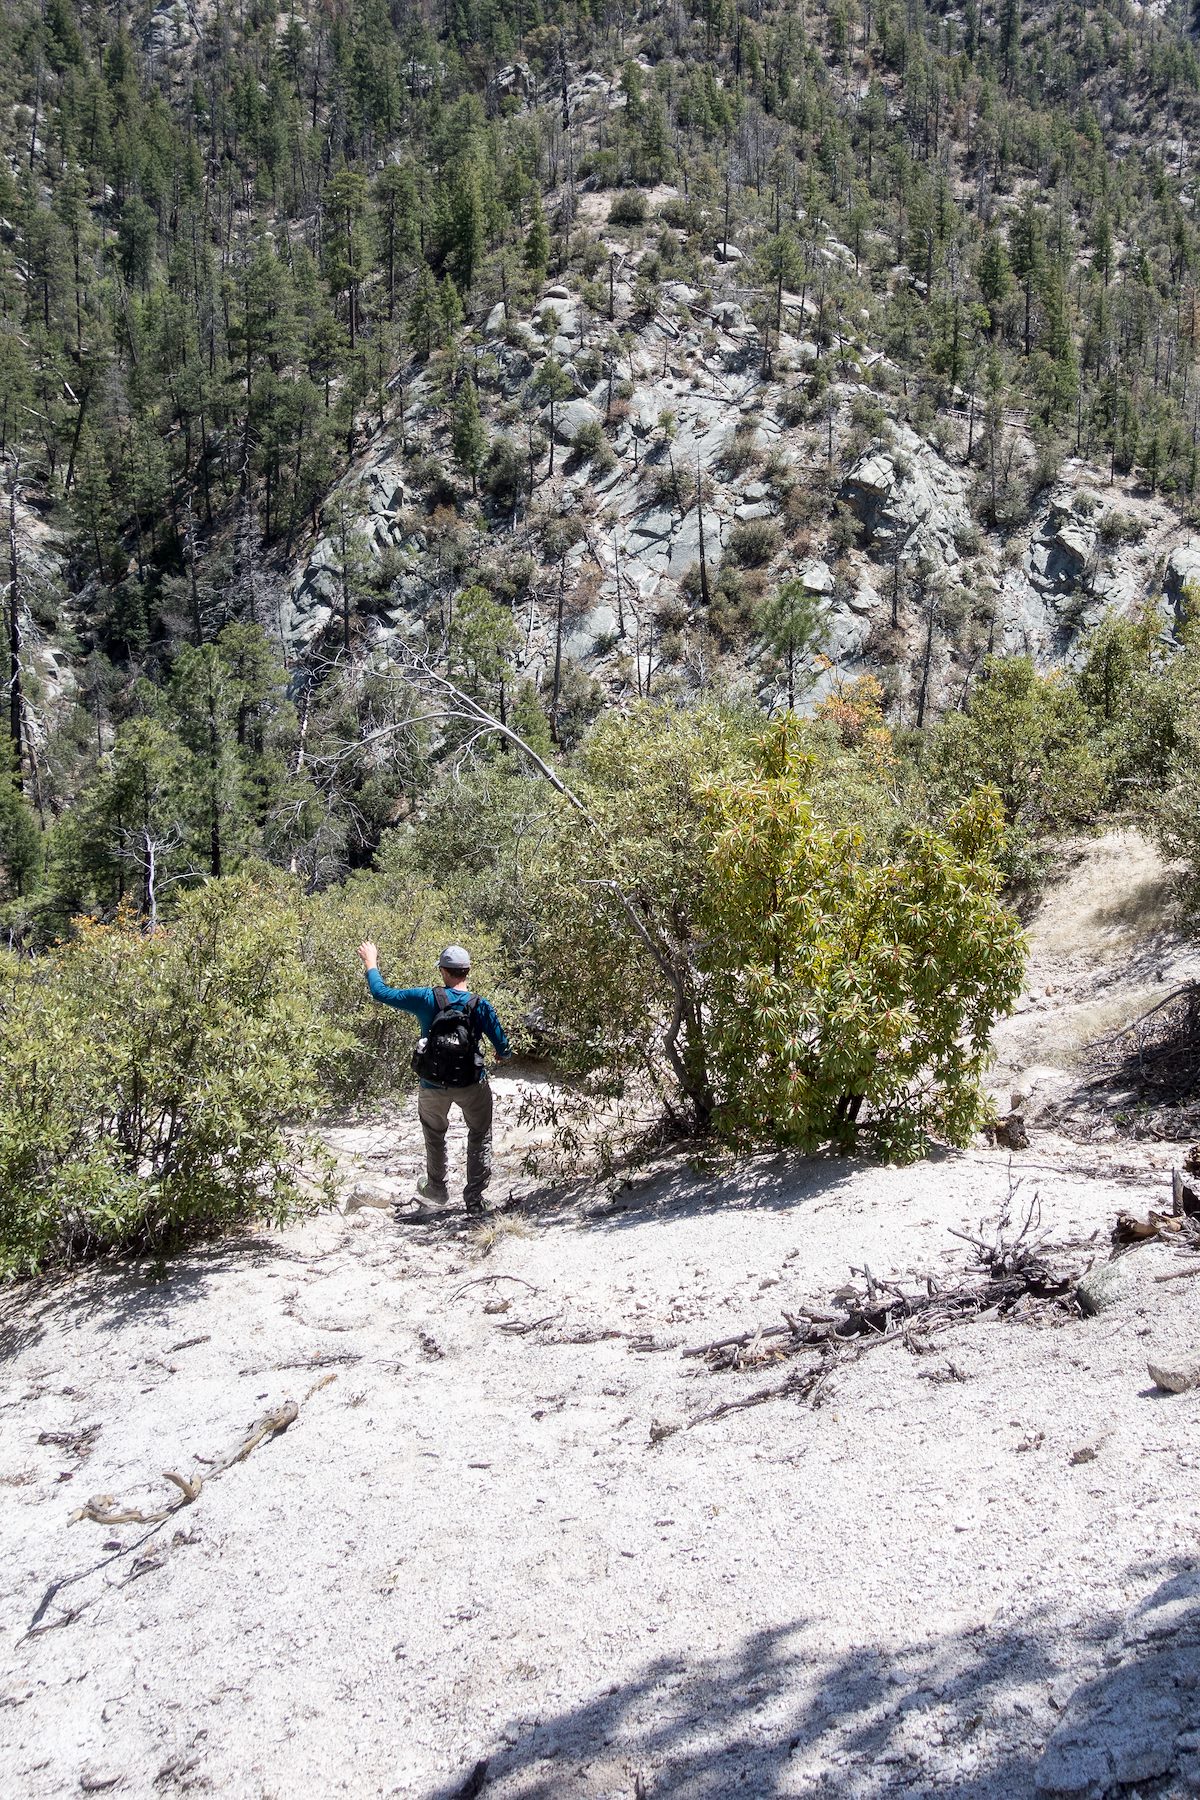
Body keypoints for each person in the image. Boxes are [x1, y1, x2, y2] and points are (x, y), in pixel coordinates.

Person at [357, 941, 513, 1215]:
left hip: (432, 1084)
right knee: (479, 1135)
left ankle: (437, 1189)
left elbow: (381, 992)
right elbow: (504, 1047)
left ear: (442, 971)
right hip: (471, 1083)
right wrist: (501, 1055)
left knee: (434, 1134)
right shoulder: (481, 1005)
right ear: (468, 970)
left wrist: (371, 961)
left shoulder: (426, 998)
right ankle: (475, 1200)